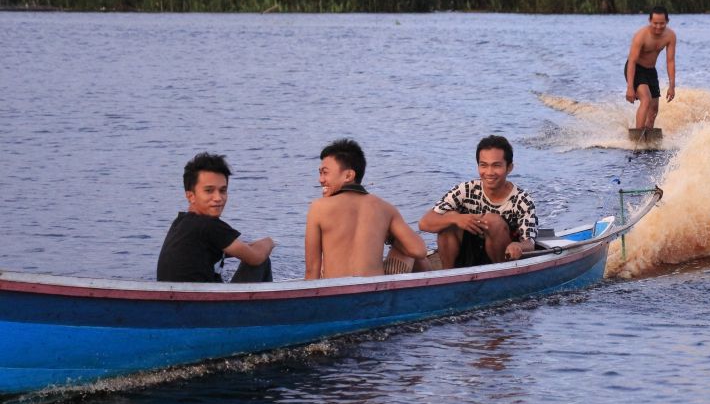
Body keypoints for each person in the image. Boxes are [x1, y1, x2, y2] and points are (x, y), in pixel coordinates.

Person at [304, 138, 430, 279]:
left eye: (325, 173)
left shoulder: (318, 207)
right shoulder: (385, 208)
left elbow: (311, 270)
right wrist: (386, 235)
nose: (320, 180)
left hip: (336, 293)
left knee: (322, 262)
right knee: (407, 250)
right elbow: (419, 251)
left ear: (348, 175)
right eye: (320, 173)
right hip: (376, 293)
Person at [419, 135, 538, 268]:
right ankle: (449, 275)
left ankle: (499, 275)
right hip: (466, 256)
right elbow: (424, 223)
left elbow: (530, 243)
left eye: (496, 166)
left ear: (509, 168)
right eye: (484, 165)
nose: (489, 172)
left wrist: (518, 246)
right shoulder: (465, 190)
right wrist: (457, 219)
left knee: (491, 221)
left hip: (502, 260)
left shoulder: (522, 200)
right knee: (448, 217)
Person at [157, 152, 275, 283]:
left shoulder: (181, 222)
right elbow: (255, 258)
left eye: (223, 190)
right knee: (262, 260)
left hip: (175, 298)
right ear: (191, 196)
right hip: (204, 302)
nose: (218, 198)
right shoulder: (209, 226)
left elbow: (219, 248)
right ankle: (270, 303)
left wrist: (248, 247)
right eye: (209, 191)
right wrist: (269, 242)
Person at [624, 5, 677, 131]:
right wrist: (630, 87)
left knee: (654, 109)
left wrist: (672, 86)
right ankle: (638, 136)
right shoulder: (641, 36)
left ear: (667, 22)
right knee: (646, 100)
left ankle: (648, 138)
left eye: (662, 23)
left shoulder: (670, 36)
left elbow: (670, 61)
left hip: (651, 71)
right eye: (655, 23)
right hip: (635, 68)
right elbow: (632, 61)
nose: (658, 27)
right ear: (650, 21)